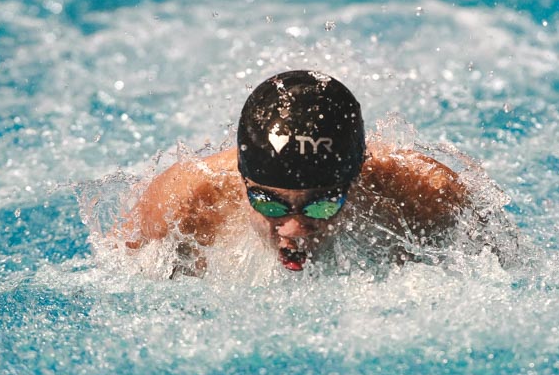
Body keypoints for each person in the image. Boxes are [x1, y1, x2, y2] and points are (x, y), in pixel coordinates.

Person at [119, 70, 469, 276]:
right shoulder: (183, 203)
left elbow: (511, 276)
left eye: (322, 205)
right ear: (243, 182)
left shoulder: (429, 197)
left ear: (357, 179)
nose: (294, 229)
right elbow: (117, 282)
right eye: (269, 204)